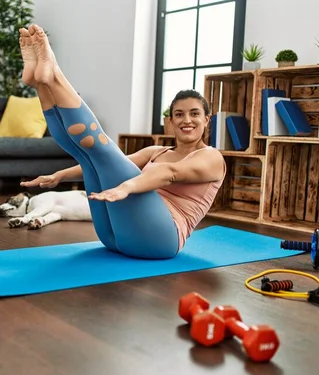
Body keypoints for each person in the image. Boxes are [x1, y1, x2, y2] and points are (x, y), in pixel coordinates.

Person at [18, 24, 226, 260]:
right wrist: (59, 176)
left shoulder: (211, 157)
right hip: (114, 237)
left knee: (102, 150)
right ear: (170, 120)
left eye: (195, 114)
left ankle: (54, 74)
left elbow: (170, 173)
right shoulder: (156, 152)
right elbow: (112, 166)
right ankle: (41, 84)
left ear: (207, 119)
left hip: (160, 240)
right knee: (90, 159)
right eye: (179, 114)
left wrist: (125, 187)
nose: (186, 120)